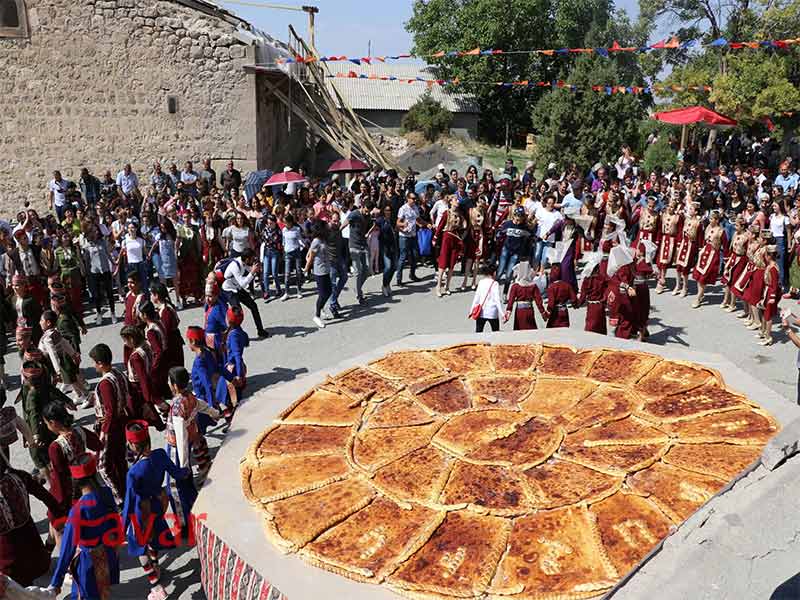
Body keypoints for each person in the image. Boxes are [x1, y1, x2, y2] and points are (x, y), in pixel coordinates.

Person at [122, 420, 195, 600]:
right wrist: (185, 473)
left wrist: (122, 527)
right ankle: (156, 565)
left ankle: (156, 586)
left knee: (140, 548)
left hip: (141, 512)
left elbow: (130, 501)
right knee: (154, 536)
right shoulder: (161, 455)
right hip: (158, 503)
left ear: (132, 444)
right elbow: (177, 472)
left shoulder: (134, 472)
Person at [48, 453, 121, 599]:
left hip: (88, 563)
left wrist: (56, 582)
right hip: (107, 553)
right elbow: (115, 522)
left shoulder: (77, 511)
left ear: (75, 481)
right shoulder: (106, 494)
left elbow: (67, 549)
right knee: (103, 592)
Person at [0, 446, 63, 587]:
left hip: (7, 555)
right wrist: (58, 514)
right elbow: (46, 497)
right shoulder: (19, 477)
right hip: (31, 542)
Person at [43, 401, 103, 545]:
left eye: (46, 423)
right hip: (89, 482)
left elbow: (59, 477)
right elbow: (98, 444)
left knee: (57, 525)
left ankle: (66, 559)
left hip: (71, 491)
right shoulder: (79, 431)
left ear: (53, 423)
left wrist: (59, 503)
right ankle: (49, 546)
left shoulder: (56, 447)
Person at [88, 343, 129, 507]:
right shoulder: (118, 374)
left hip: (110, 428)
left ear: (100, 363)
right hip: (119, 423)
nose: (94, 366)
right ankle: (126, 490)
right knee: (119, 461)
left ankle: (119, 498)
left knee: (102, 466)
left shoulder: (105, 383)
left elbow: (110, 410)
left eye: (94, 362)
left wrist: (104, 432)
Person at [39, 310, 91, 407]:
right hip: (64, 359)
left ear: (48, 322)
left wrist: (57, 370)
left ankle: (87, 395)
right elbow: (65, 343)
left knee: (72, 380)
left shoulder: (47, 338)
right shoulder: (55, 332)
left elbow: (52, 353)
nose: (40, 322)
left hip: (59, 362)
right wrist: (73, 353)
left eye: (42, 320)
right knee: (71, 379)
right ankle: (80, 395)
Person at [121, 325, 166, 431]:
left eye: (125, 340)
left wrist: (148, 398)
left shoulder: (136, 356)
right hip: (147, 381)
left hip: (138, 389)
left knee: (139, 414)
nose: (125, 343)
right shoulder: (145, 346)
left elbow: (142, 378)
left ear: (131, 339)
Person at [221, 248, 268, 338]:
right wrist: (253, 272)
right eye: (251, 259)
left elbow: (249, 270)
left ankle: (260, 330)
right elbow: (243, 283)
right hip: (229, 290)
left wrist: (256, 269)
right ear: (246, 259)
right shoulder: (235, 266)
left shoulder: (243, 262)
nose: (252, 261)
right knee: (237, 314)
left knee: (253, 306)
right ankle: (232, 335)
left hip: (237, 287)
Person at [186, 327, 221, 437]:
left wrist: (211, 408)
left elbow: (207, 384)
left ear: (193, 341)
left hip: (202, 398)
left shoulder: (199, 362)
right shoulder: (208, 353)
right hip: (209, 395)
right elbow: (218, 368)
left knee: (199, 430)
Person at [216, 307, 249, 417]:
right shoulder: (237, 331)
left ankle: (231, 414)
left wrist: (239, 375)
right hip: (234, 365)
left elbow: (237, 355)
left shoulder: (234, 335)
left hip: (233, 368)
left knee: (230, 395)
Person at [304, 219, 336, 329]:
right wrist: (306, 269)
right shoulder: (316, 241)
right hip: (319, 271)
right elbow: (311, 256)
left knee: (329, 291)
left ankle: (321, 308)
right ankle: (316, 316)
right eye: (325, 226)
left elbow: (310, 251)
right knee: (323, 293)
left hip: (326, 269)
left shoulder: (323, 239)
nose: (327, 228)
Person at [692, 210, 727, 308]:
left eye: (712, 219)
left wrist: (725, 258)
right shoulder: (708, 227)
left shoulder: (721, 231)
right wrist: (701, 249)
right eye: (710, 218)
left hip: (713, 254)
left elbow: (725, 245)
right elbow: (704, 240)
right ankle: (700, 293)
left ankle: (698, 297)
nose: (710, 220)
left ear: (717, 220)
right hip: (704, 252)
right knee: (699, 275)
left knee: (704, 276)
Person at [433, 196, 467, 297]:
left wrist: (463, 225)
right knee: (443, 263)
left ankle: (447, 286)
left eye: (457, 200)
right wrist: (435, 237)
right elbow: (440, 226)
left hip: (455, 238)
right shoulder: (446, 213)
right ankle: (438, 286)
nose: (457, 202)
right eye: (455, 200)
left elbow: (464, 225)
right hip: (447, 237)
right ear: (451, 202)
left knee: (452, 264)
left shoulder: (460, 214)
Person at [342, 200, 372, 304]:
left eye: (369, 211)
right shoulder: (355, 214)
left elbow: (372, 224)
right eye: (366, 211)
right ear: (362, 206)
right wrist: (337, 233)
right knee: (358, 271)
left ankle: (357, 287)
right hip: (353, 246)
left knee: (367, 270)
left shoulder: (368, 216)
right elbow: (345, 223)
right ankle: (359, 295)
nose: (367, 213)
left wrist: (368, 233)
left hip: (364, 245)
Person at [503, 261, 548, 330]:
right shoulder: (533, 286)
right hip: (529, 310)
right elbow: (539, 301)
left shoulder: (515, 286)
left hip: (519, 311)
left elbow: (511, 301)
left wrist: (507, 315)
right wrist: (543, 314)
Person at [673, 201, 703, 297]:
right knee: (678, 266)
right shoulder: (686, 220)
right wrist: (679, 243)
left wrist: (699, 250)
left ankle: (685, 287)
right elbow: (680, 231)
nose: (689, 211)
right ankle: (678, 285)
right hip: (683, 244)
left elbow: (700, 238)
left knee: (685, 268)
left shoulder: (698, 223)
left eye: (691, 209)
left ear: (696, 212)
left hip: (691, 246)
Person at [396, 192, 426, 286]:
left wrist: (426, 223)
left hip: (413, 235)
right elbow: (398, 223)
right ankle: (399, 278)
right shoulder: (403, 209)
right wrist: (403, 224)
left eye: (415, 199)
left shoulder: (415, 208)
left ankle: (412, 275)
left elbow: (418, 219)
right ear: (408, 199)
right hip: (404, 236)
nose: (414, 200)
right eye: (412, 198)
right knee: (403, 257)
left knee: (415, 255)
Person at [721, 215, 748, 312]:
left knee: (734, 281)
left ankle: (733, 304)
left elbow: (747, 251)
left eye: (737, 225)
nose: (735, 227)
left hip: (741, 260)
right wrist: (728, 257)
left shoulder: (746, 237)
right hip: (733, 257)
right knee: (728, 280)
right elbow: (731, 246)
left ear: (743, 226)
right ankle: (726, 300)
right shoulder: (736, 234)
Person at [577, 254, 607, 334]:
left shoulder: (587, 280)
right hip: (600, 305)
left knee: (590, 328)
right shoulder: (602, 278)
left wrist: (578, 303)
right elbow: (606, 291)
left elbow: (583, 295)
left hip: (591, 306)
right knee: (601, 328)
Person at [469, 263, 504, 332]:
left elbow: (477, 298)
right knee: (496, 332)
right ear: (494, 273)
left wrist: (471, 310)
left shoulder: (481, 282)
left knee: (479, 331)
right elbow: (497, 300)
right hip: (492, 312)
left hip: (481, 311)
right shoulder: (495, 283)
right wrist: (502, 313)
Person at [757, 245, 781, 346]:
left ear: (769, 256)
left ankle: (768, 337)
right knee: (762, 311)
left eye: (766, 254)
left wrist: (772, 298)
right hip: (766, 291)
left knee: (768, 316)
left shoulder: (773, 268)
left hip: (771, 293)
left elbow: (774, 285)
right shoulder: (769, 266)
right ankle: (763, 331)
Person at [280, 212, 304, 301]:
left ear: (290, 222)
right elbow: (283, 242)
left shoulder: (296, 229)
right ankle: (287, 292)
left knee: (298, 271)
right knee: (287, 273)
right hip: (287, 253)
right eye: (284, 222)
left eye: (286, 222)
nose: (285, 224)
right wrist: (283, 252)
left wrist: (303, 245)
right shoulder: (284, 230)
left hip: (296, 251)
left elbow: (300, 239)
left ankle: (299, 290)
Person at [545, 264, 578, 328]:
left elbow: (551, 304)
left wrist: (546, 314)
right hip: (564, 310)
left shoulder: (551, 287)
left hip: (555, 313)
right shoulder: (567, 285)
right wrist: (575, 305)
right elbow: (574, 299)